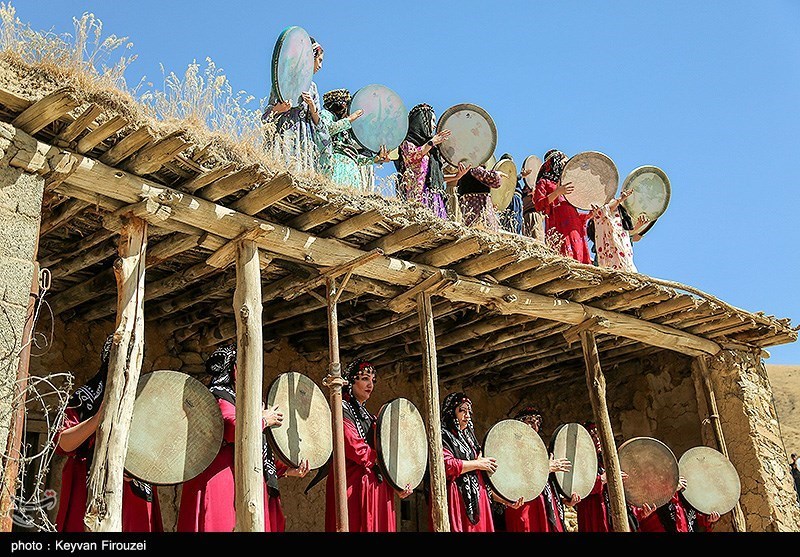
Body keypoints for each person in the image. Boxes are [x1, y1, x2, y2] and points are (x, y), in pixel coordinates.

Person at [177, 344, 307, 532]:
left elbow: (255, 452)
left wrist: (286, 470)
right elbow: (233, 430)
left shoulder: (242, 402)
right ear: (234, 370)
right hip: (220, 480)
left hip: (239, 482)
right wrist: (262, 419)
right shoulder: (219, 397)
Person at [54, 334, 162, 532]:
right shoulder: (85, 398)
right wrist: (98, 418)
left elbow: (158, 447)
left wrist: (136, 468)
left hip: (133, 489)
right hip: (90, 485)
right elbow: (63, 443)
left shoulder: (147, 398)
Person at [322, 358, 412, 532]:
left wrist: (396, 481)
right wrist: (385, 464)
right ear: (350, 381)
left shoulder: (371, 418)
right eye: (364, 379)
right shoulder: (341, 409)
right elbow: (353, 446)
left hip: (376, 486)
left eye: (373, 380)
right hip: (353, 484)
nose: (370, 384)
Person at [437, 392, 520, 532]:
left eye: (469, 411)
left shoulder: (470, 441)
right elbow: (446, 465)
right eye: (462, 410)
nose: (467, 416)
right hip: (458, 500)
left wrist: (506, 501)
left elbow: (482, 482)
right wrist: (478, 464)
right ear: (451, 412)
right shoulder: (443, 436)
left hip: (480, 503)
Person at [503, 407, 579, 532]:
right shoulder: (510, 448)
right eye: (530, 422)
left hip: (546, 506)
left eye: (538, 424)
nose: (535, 427)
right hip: (524, 507)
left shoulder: (540, 450)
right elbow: (512, 477)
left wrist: (564, 500)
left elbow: (547, 484)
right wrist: (545, 468)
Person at [262, 37, 327, 174]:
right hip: (284, 131)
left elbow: (319, 123)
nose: (320, 66)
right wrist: (280, 109)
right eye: (319, 60)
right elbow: (266, 115)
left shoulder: (312, 87)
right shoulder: (283, 80)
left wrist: (312, 106)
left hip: (303, 137)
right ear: (311, 58)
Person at [319, 88, 389, 191]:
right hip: (336, 165)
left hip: (352, 172)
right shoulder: (326, 115)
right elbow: (326, 130)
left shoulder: (347, 129)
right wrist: (350, 119)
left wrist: (374, 159)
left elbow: (355, 157)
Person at [575, 421, 637, 532]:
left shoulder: (606, 461)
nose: (597, 439)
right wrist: (603, 479)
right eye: (592, 436)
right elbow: (579, 487)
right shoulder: (579, 462)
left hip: (612, 510)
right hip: (594, 512)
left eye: (598, 435)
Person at [533, 150, 592, 264]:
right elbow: (539, 205)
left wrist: (589, 215)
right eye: (564, 163)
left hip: (574, 226)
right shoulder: (544, 182)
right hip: (558, 225)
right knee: (564, 258)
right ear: (556, 162)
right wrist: (557, 192)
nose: (566, 166)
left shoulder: (568, 185)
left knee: (579, 259)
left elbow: (573, 212)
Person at [395, 103, 451, 219]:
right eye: (432, 121)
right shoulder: (407, 143)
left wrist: (457, 176)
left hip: (434, 196)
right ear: (422, 121)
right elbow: (413, 156)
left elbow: (436, 177)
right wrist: (431, 143)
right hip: (418, 196)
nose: (435, 126)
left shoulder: (432, 149)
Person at [632, 475, 720, 532]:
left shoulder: (687, 496)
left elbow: (694, 518)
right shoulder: (653, 492)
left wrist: (708, 519)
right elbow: (636, 515)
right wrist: (670, 490)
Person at [587, 188, 638, 272]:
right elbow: (604, 211)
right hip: (610, 247)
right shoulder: (599, 205)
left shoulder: (618, 207)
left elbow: (625, 232)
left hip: (621, 246)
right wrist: (620, 199)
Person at [457, 163, 507, 233]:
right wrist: (497, 174)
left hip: (468, 207)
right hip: (478, 206)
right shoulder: (475, 168)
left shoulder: (466, 170)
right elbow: (494, 180)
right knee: (485, 231)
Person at [496, 153, 534, 235]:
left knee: (517, 221)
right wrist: (521, 175)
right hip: (510, 199)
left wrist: (526, 193)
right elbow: (509, 180)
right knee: (511, 221)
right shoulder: (502, 174)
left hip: (517, 199)